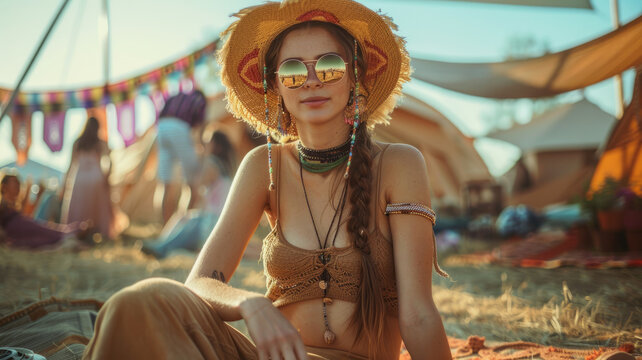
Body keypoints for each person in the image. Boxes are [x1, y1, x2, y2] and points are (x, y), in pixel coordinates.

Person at [83, 1, 451, 359]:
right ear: (275, 86)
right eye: (292, 71)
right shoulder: (265, 165)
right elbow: (199, 283)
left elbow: (418, 314)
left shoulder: (399, 163)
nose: (309, 80)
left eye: (329, 66)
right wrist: (250, 303)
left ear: (355, 75)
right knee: (139, 301)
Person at [142, 130, 236, 258]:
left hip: (212, 223)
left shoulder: (211, 164)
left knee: (190, 220)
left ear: (216, 146)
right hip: (221, 223)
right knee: (184, 217)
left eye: (208, 143)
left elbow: (196, 186)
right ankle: (161, 244)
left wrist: (199, 159)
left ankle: (162, 248)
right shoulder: (225, 168)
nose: (204, 146)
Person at [155, 90, 208, 224]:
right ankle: (182, 225)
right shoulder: (200, 101)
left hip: (161, 128)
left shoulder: (175, 96)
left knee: (166, 184)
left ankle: (165, 226)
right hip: (178, 128)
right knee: (192, 182)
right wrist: (202, 147)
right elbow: (201, 128)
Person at [61, 116, 113, 239]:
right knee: (97, 209)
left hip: (80, 179)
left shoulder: (77, 142)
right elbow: (110, 162)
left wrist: (64, 184)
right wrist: (107, 177)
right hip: (96, 178)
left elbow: (70, 166)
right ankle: (96, 232)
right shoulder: (100, 143)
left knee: (80, 208)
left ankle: (76, 232)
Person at [1, 173, 82, 249]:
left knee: (42, 229)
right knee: (41, 232)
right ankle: (68, 233)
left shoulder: (14, 204)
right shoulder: (3, 204)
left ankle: (68, 231)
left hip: (21, 223)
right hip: (15, 227)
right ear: (4, 187)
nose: (18, 185)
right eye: (14, 183)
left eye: (18, 183)